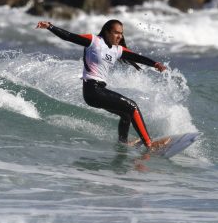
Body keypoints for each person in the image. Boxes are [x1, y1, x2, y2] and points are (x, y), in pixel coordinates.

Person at [36, 19, 170, 150]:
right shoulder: (94, 41)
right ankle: (149, 144)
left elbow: (137, 57)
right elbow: (70, 37)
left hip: (99, 90)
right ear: (107, 32)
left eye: (121, 33)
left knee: (126, 114)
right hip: (92, 90)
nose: (120, 36)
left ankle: (122, 143)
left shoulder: (117, 49)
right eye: (116, 32)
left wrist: (155, 64)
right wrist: (50, 27)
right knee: (132, 106)